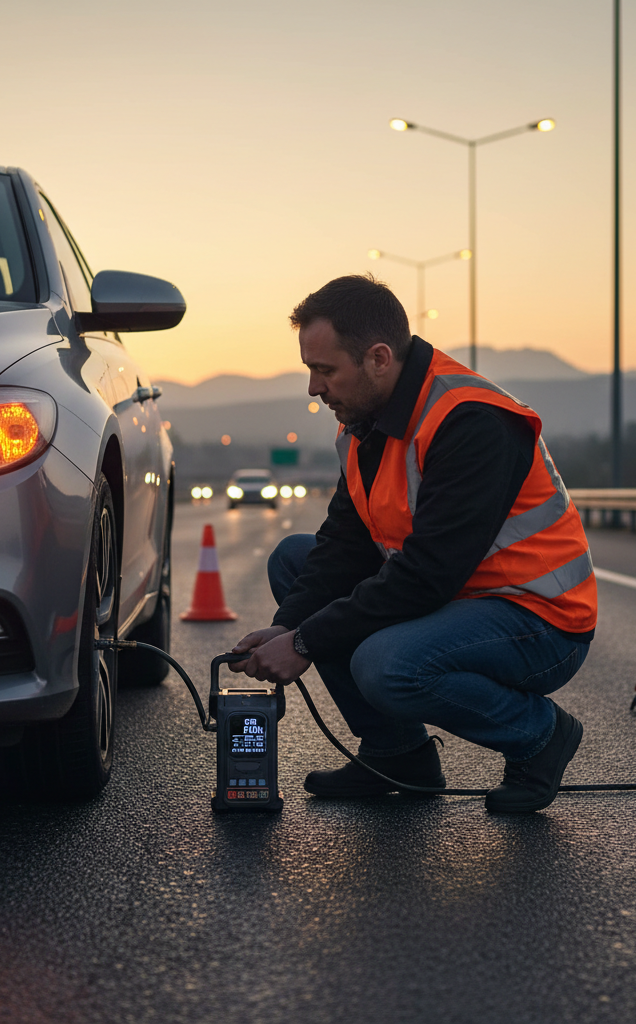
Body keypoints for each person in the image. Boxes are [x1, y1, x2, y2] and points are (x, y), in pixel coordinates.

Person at [230, 274, 596, 813]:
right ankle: (396, 753)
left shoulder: (472, 421)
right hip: (458, 602)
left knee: (385, 665)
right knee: (295, 560)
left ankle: (540, 736)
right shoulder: (364, 424)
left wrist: (305, 642)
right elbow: (342, 546)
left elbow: (426, 576)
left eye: (324, 370)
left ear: (378, 358)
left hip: (537, 619)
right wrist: (288, 625)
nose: (314, 388)